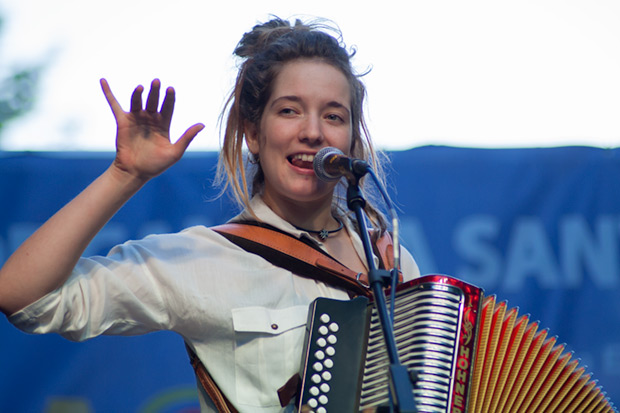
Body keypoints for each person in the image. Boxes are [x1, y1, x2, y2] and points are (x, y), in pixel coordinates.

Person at [0, 16, 420, 412]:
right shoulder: (204, 258)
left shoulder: (391, 261)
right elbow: (24, 296)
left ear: (349, 140)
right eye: (290, 110)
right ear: (253, 134)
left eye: (333, 116)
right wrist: (123, 175)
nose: (313, 131)